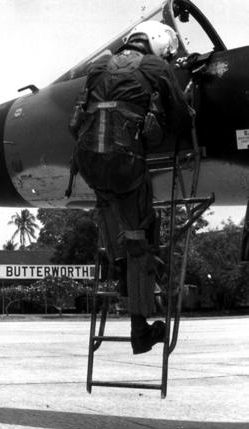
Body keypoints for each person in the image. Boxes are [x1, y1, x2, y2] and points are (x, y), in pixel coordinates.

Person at [69, 20, 192, 354]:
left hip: (90, 164)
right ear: (156, 45)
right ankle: (141, 332)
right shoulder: (155, 66)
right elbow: (182, 119)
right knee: (141, 237)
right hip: (124, 165)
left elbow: (76, 119)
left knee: (115, 228)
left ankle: (123, 276)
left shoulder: (99, 66)